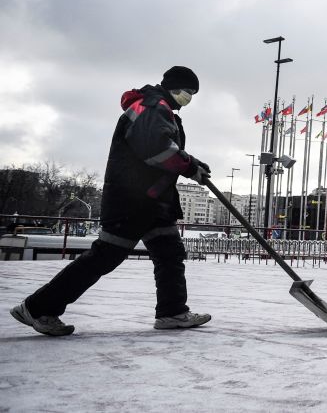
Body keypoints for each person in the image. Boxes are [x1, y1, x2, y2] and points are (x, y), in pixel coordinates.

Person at [10, 66, 213, 336]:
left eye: (193, 94)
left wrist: (191, 163)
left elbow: (167, 150)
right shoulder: (152, 107)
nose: (189, 97)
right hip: (133, 201)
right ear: (174, 87)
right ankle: (37, 308)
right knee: (105, 257)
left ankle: (172, 312)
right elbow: (157, 149)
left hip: (153, 201)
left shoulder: (159, 108)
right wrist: (189, 167)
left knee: (170, 254)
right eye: (187, 91)